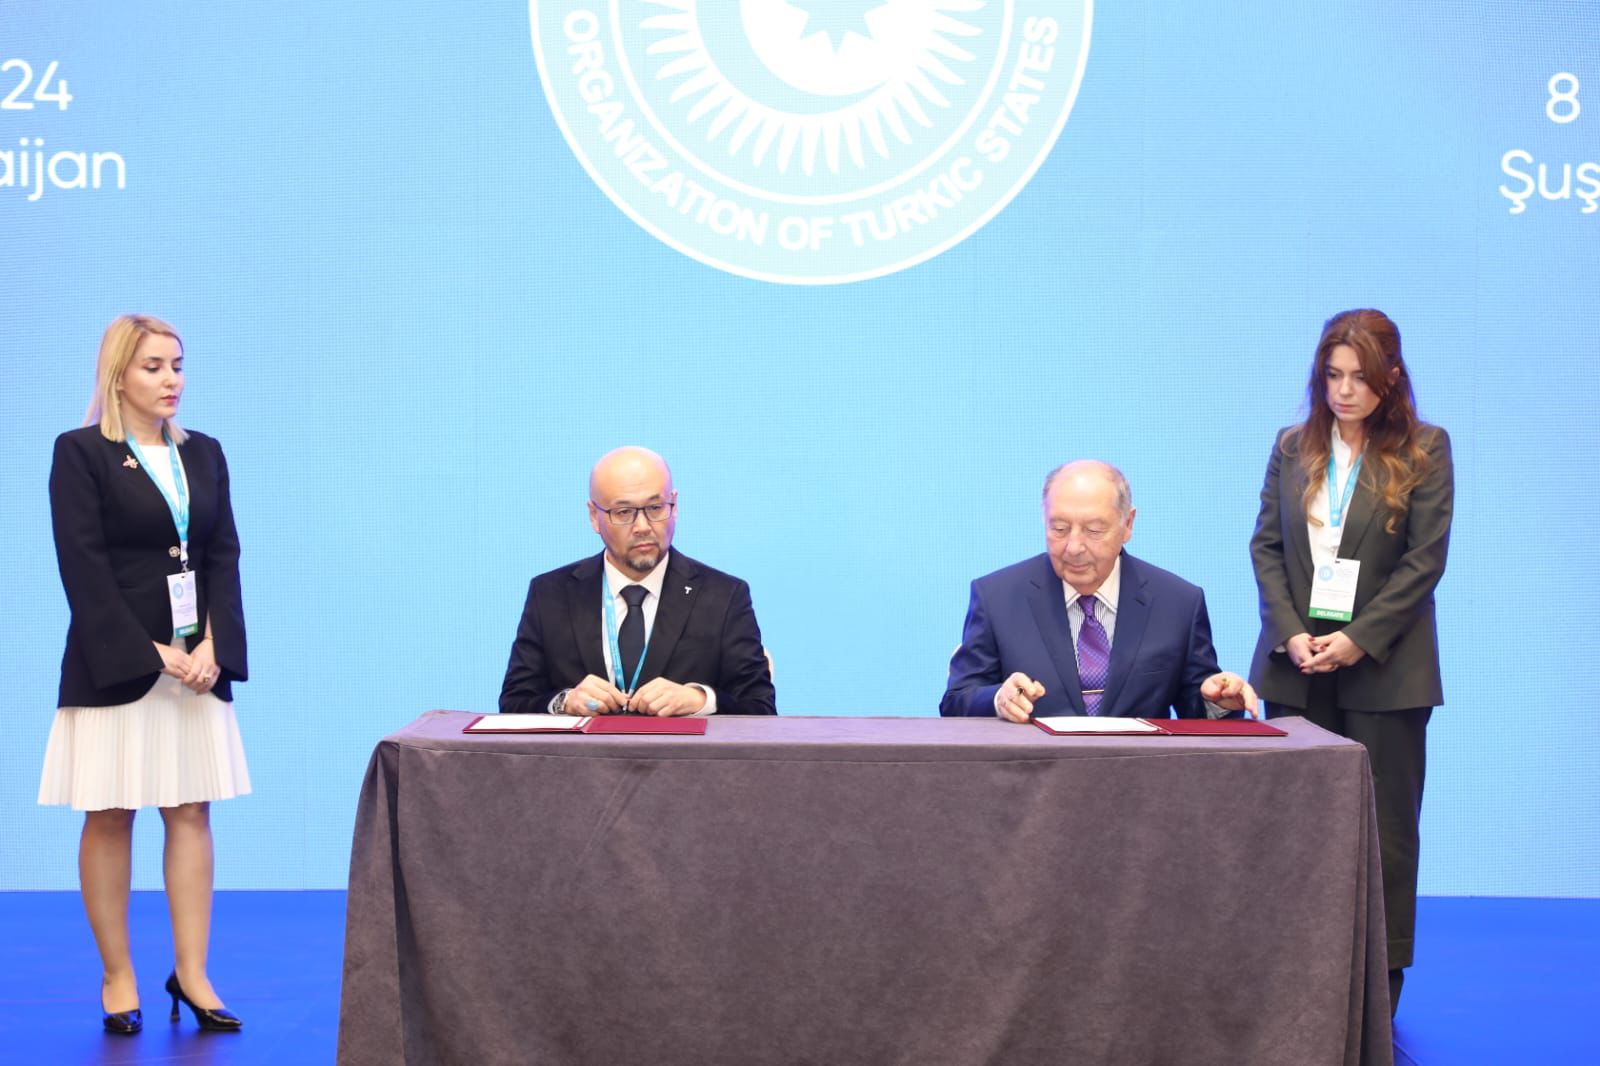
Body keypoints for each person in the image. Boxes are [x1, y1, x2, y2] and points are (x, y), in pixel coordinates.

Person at [39, 315, 249, 1034]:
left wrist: (213, 643)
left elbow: (223, 555)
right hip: (118, 663)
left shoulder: (206, 454)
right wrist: (153, 652)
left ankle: (192, 974)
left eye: (178, 365)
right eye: (155, 367)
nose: (172, 381)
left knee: (191, 811)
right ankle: (118, 977)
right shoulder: (80, 454)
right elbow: (83, 568)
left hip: (197, 665)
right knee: (111, 813)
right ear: (118, 376)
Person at [1248, 308, 1451, 1015]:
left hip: (1386, 670)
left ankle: (1377, 998)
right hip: (1298, 665)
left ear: (1391, 378)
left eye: (1360, 377)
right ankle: (1294, 987)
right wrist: (1288, 631)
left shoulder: (1425, 448)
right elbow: (1267, 547)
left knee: (1385, 834)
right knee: (1295, 833)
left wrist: (1358, 637)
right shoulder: (1290, 447)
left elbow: (1424, 563)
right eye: (1333, 376)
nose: (1345, 391)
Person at [942, 460, 1257, 721]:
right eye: (1059, 528)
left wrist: (1219, 701)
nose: (1074, 547)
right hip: (1031, 784)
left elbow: (1196, 707)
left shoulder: (1178, 603)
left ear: (1128, 524)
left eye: (1093, 530)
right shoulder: (996, 597)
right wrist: (998, 699)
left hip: (1141, 784)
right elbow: (957, 701)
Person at [500, 446, 776, 717]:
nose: (643, 526)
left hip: (680, 761)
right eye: (624, 513)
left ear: (675, 505)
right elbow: (515, 701)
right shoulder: (550, 594)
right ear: (595, 517)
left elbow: (759, 707)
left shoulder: (724, 596)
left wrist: (700, 699)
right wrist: (564, 701)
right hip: (583, 761)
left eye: (655, 508)